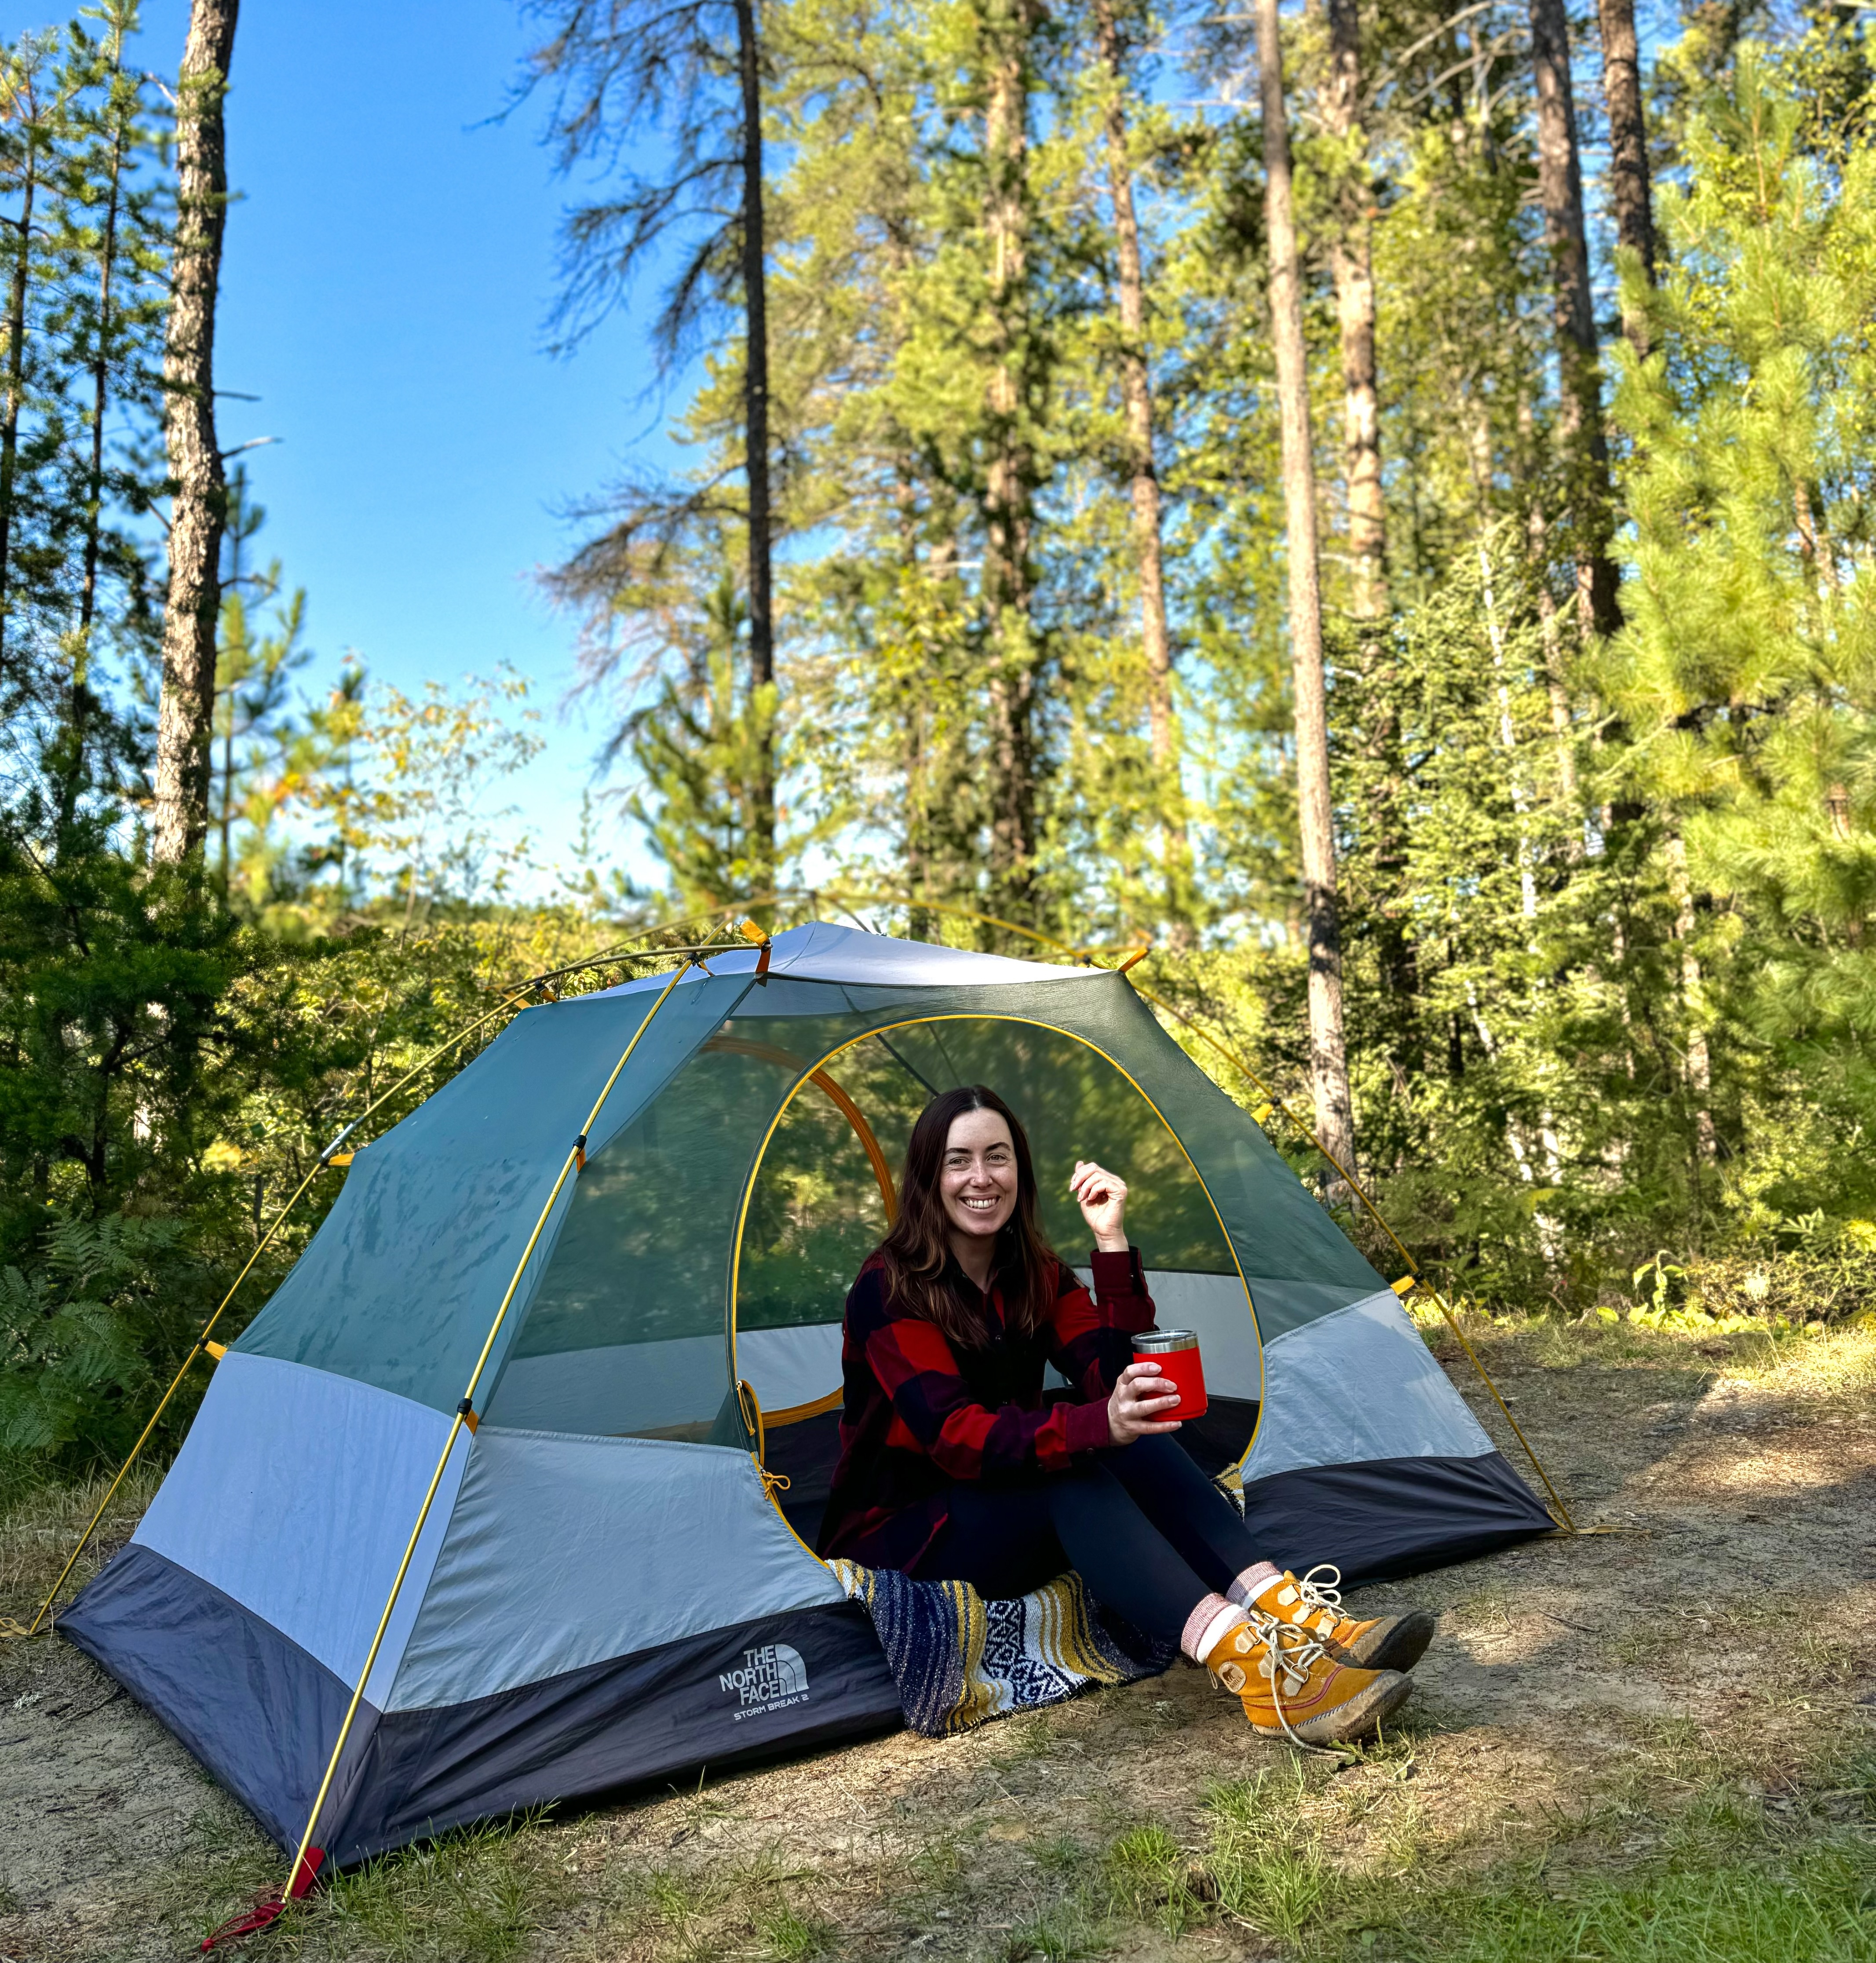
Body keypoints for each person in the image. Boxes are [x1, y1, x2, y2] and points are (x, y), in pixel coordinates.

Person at [817, 1084, 1434, 1746]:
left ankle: (1293, 1615)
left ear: (1018, 1171)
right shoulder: (890, 1288)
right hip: (914, 1528)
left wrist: (1109, 1244)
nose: (980, 1178)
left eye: (996, 1157)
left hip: (1005, 1497)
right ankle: (1258, 1672)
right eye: (957, 1160)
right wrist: (1092, 1426)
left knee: (1126, 1439)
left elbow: (1113, 1381)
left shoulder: (1034, 1270)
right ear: (927, 1178)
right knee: (1074, 1468)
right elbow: (953, 1439)